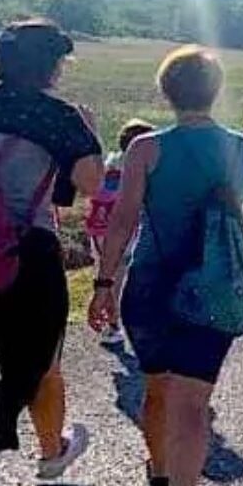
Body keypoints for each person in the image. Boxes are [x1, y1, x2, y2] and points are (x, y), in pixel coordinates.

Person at [89, 45, 243, 486]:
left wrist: (104, 284)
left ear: (166, 92)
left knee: (157, 391)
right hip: (211, 289)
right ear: (216, 91)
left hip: (151, 286)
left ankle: (160, 474)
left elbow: (122, 221)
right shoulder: (241, 148)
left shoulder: (144, 148)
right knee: (194, 405)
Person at [0, 19, 103, 476]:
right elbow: (93, 183)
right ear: (50, 66)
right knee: (39, 360)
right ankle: (51, 452)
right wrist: (89, 134)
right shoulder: (57, 118)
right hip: (26, 252)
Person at [86, 119, 156, 345]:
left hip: (98, 227)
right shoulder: (139, 167)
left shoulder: (111, 163)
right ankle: (113, 322)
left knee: (106, 272)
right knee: (119, 275)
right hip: (124, 229)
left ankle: (110, 319)